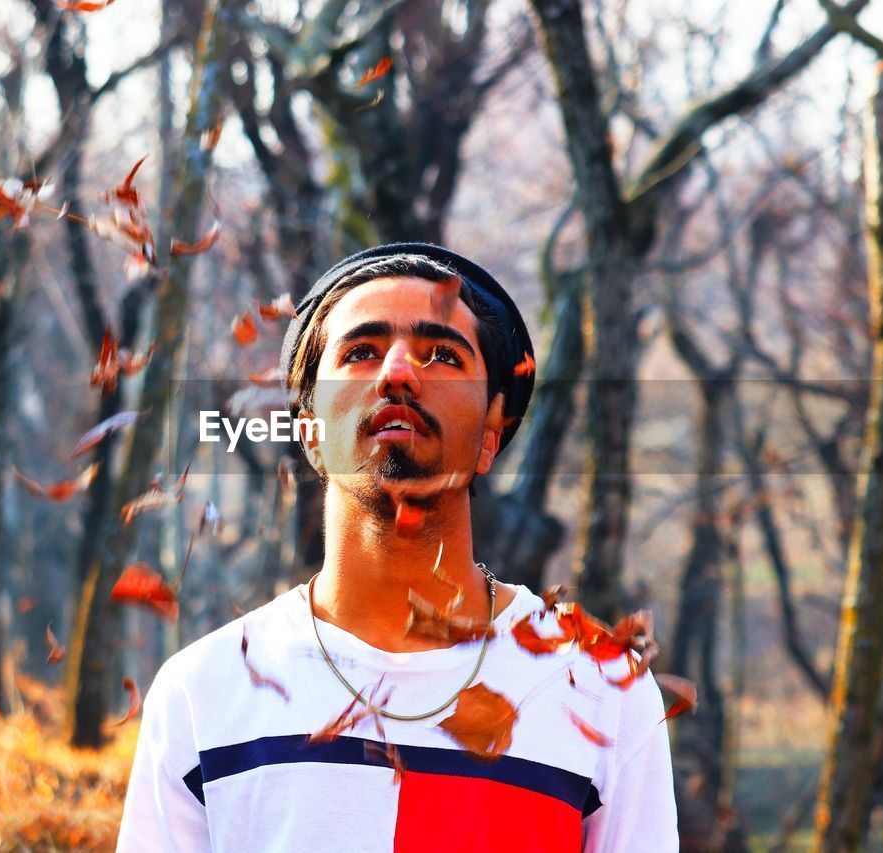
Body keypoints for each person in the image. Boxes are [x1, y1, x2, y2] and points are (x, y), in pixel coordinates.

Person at [117, 243, 678, 852]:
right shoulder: (205, 692)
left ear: (492, 429)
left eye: (441, 354)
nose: (400, 373)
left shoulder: (600, 688)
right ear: (306, 430)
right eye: (361, 352)